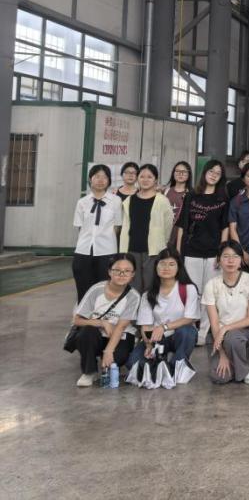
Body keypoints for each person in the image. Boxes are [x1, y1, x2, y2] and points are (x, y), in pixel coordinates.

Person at [175, 159, 229, 344]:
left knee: (210, 293)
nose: (214, 175)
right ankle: (190, 327)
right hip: (192, 252)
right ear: (204, 172)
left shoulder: (223, 199)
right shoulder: (191, 196)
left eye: (218, 173)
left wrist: (222, 253)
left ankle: (203, 331)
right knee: (192, 292)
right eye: (211, 171)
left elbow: (225, 227)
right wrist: (179, 252)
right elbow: (182, 226)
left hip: (213, 253)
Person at [71, 255, 141, 387]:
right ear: (109, 272)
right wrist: (102, 323)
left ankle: (109, 361)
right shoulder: (96, 290)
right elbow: (77, 320)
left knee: (117, 359)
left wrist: (109, 351)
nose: (122, 274)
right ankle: (89, 372)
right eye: (117, 270)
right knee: (86, 333)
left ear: (133, 274)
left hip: (120, 335)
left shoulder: (134, 296)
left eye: (127, 271)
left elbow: (120, 327)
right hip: (96, 335)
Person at [127, 248, 200, 372]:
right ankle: (160, 364)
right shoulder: (148, 294)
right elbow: (145, 326)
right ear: (156, 267)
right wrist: (148, 345)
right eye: (162, 264)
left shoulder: (188, 288)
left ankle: (176, 366)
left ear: (178, 267)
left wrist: (164, 327)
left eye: (171, 264)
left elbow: (189, 318)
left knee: (188, 332)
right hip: (156, 338)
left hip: (178, 336)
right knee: (133, 363)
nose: (166, 268)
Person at [202, 241, 249, 384]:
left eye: (235, 256)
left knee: (232, 338)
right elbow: (214, 323)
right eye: (226, 256)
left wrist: (226, 329)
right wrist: (222, 354)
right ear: (218, 260)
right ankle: (238, 365)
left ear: (241, 260)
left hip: (243, 330)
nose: (230, 260)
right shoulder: (211, 285)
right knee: (219, 377)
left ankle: (243, 370)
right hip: (218, 334)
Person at [119, 164, 174, 291]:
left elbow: (168, 225)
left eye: (149, 177)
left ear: (155, 180)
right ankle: (135, 304)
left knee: (151, 285)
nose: (145, 179)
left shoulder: (162, 200)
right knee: (133, 286)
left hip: (153, 251)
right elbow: (125, 226)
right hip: (131, 249)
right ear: (137, 178)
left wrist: (162, 243)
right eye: (142, 176)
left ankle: (149, 304)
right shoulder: (129, 200)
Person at [72, 164, 123, 301]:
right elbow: (79, 227)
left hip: (107, 251)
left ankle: (102, 313)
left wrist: (106, 239)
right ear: (90, 179)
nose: (100, 180)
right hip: (83, 250)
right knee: (83, 288)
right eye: (97, 176)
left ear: (109, 180)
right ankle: (84, 313)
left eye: (104, 177)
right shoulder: (82, 202)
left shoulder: (116, 201)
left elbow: (117, 226)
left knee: (105, 288)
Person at [163, 161, 192, 248]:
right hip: (163, 235)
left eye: (184, 172)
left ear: (189, 174)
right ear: (173, 173)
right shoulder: (165, 191)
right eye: (178, 171)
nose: (180, 174)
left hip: (181, 237)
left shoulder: (191, 194)